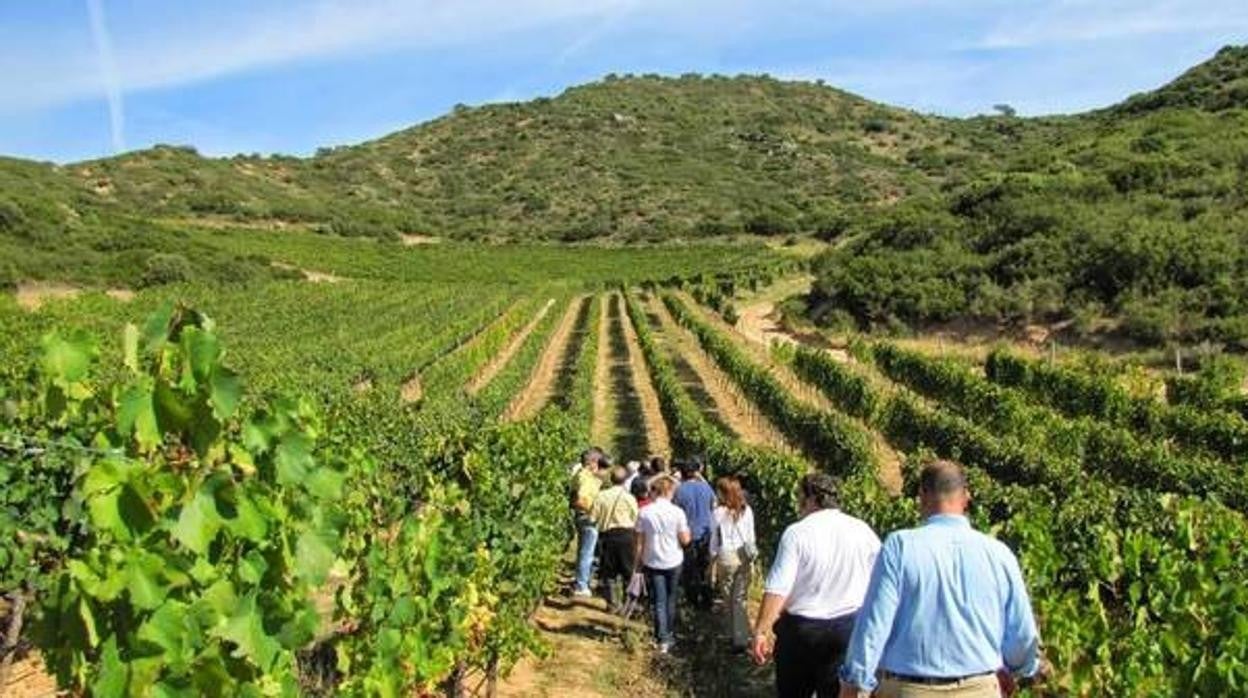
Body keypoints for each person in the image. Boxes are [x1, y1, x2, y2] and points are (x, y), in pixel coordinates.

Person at [838, 461, 1043, 698]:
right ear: (966, 498)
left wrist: (853, 683)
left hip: (910, 689)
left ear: (922, 495)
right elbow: (1022, 636)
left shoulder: (900, 546)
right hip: (980, 689)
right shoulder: (999, 554)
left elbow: (873, 625)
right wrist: (1017, 669)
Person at [750, 472, 881, 698]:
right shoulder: (862, 530)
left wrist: (761, 631)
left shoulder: (797, 533)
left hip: (802, 632)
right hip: (846, 629)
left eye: (800, 495)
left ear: (812, 498)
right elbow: (880, 580)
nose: (798, 502)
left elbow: (778, 588)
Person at [634, 475, 691, 653]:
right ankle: (669, 634)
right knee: (671, 598)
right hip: (673, 560)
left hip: (652, 560)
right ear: (668, 491)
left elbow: (639, 542)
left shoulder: (644, 512)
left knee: (659, 600)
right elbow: (685, 540)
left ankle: (662, 637)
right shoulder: (677, 512)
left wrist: (637, 565)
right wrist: (687, 534)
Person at [710, 475, 757, 652]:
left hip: (727, 556)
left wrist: (712, 560)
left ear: (723, 493)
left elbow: (714, 541)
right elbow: (751, 537)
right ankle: (742, 636)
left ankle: (734, 636)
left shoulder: (718, 513)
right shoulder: (747, 510)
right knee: (740, 598)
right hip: (744, 555)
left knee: (728, 598)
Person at [591, 465, 640, 611]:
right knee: (628, 571)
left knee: (609, 572)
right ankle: (629, 603)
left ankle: (612, 604)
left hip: (608, 536)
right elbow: (636, 517)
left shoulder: (601, 496)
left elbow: (593, 517)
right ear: (625, 480)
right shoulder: (629, 497)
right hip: (626, 536)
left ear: (611, 479)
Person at [672, 458, 716, 610]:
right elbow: (714, 505)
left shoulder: (679, 490)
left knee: (690, 569)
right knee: (704, 568)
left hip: (689, 534)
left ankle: (693, 600)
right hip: (706, 533)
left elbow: (676, 512)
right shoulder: (706, 488)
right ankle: (707, 599)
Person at [570, 447, 607, 597]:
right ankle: (581, 585)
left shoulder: (581, 474)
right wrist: (593, 511)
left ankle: (580, 579)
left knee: (583, 550)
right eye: (598, 462)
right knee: (587, 552)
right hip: (587, 518)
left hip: (581, 517)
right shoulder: (586, 478)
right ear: (592, 462)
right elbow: (580, 499)